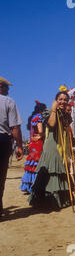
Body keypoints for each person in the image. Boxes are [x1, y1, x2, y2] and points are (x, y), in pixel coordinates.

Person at [28, 90, 73, 210]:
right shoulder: (49, 112)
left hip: (62, 146)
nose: (63, 101)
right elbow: (52, 124)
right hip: (52, 146)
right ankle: (46, 202)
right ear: (56, 100)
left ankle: (59, 200)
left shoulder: (66, 114)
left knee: (60, 172)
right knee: (51, 171)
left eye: (65, 100)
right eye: (61, 99)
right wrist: (54, 109)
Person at [0, 77, 23, 218]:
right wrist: (19, 146)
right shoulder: (8, 101)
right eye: (7, 88)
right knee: (1, 174)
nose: (8, 90)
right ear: (1, 87)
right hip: (2, 140)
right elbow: (14, 127)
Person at [19, 101, 47, 193]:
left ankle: (28, 184)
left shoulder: (33, 118)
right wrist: (42, 135)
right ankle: (35, 184)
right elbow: (40, 130)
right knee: (37, 162)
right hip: (38, 143)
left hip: (32, 142)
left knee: (31, 162)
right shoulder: (39, 118)